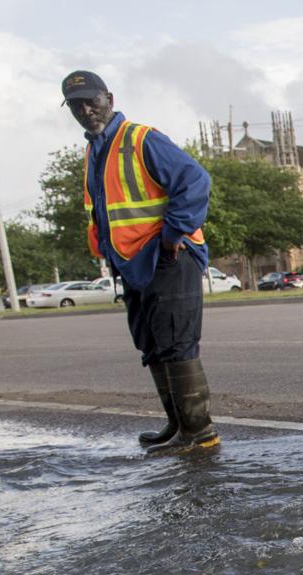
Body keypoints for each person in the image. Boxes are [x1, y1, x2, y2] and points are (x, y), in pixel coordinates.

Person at [62, 70, 218, 453]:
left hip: (169, 256)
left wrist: (172, 234)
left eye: (91, 100)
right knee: (152, 344)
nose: (85, 110)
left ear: (109, 99)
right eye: (75, 105)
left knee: (177, 343)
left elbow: (195, 180)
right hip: (132, 263)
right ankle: (177, 423)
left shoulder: (141, 139)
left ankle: (199, 431)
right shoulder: (94, 149)